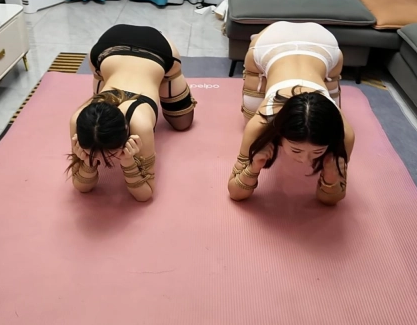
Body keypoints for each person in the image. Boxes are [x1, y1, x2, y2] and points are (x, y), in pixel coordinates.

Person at [228, 21, 355, 205]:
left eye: (318, 151)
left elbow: (330, 200)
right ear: (279, 132)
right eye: (296, 150)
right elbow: (235, 192)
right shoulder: (262, 122)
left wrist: (332, 176)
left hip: (325, 46)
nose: (304, 160)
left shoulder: (344, 133)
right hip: (270, 43)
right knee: (248, 120)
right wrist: (253, 167)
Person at [67, 24, 197, 202]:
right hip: (105, 50)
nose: (101, 160)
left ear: (126, 132)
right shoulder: (77, 120)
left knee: (182, 124)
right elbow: (81, 187)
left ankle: (164, 77)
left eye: (110, 155)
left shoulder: (139, 124)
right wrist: (87, 162)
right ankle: (128, 77)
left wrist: (129, 163)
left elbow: (145, 194)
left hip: (158, 50)